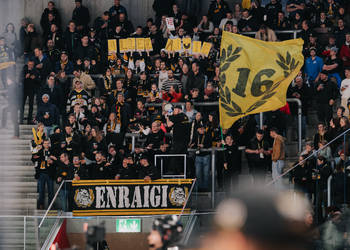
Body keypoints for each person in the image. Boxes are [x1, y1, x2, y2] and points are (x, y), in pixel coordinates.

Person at [31, 139, 56, 209]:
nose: (46, 145)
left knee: (51, 191)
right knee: (41, 191)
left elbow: (56, 161)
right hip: (41, 173)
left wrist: (52, 162)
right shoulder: (39, 151)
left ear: (49, 144)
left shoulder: (52, 151)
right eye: (45, 143)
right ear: (43, 144)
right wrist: (36, 157)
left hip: (49, 173)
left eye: (48, 143)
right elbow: (33, 159)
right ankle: (41, 205)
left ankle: (51, 206)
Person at [190, 124, 212, 192]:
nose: (202, 130)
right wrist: (193, 145)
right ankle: (200, 188)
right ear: (197, 130)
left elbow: (210, 144)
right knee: (198, 173)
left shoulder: (208, 135)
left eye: (203, 128)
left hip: (206, 156)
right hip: (198, 156)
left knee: (206, 173)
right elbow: (192, 144)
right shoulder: (195, 135)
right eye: (201, 129)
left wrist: (204, 145)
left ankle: (205, 188)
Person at [21, 60, 39, 124]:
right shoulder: (23, 70)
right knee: (22, 105)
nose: (30, 66)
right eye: (29, 64)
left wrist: (35, 78)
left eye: (32, 64)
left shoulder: (36, 71)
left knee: (31, 105)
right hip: (24, 90)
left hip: (32, 90)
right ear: (27, 64)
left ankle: (29, 120)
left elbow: (38, 81)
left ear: (33, 65)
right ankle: (21, 120)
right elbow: (19, 79)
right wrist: (25, 77)